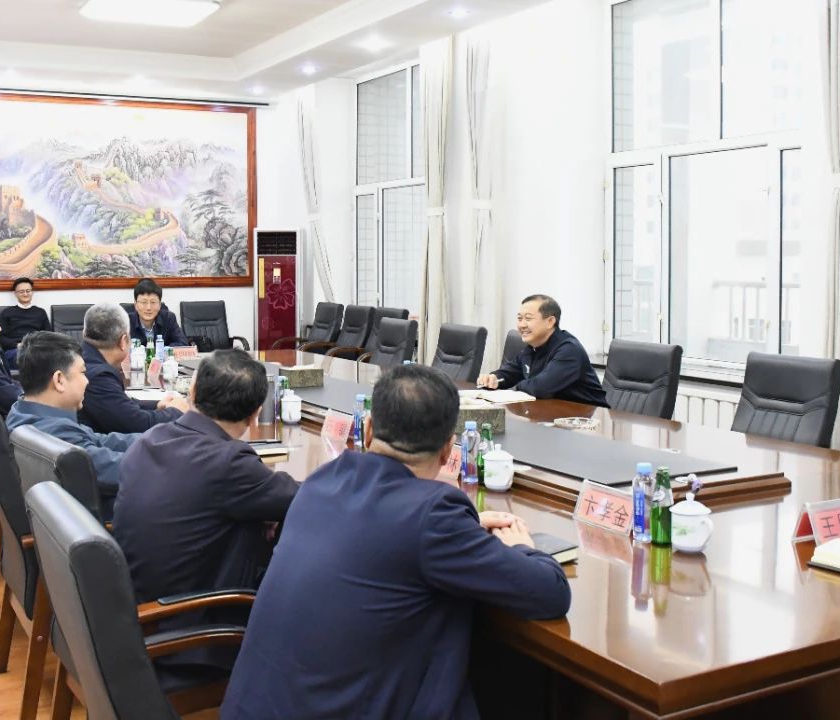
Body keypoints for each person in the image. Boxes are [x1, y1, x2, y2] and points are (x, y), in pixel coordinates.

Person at [220, 364, 572, 720]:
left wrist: (463, 530)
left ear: (369, 428)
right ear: (448, 450)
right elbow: (550, 593)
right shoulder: (434, 516)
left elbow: (383, 535)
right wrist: (521, 547)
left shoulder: (321, 481)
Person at [112, 349, 298, 673]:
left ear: (193, 391)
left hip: (138, 614)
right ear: (256, 414)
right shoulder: (229, 462)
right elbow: (304, 498)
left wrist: (259, 508)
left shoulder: (150, 439)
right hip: (191, 636)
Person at [6, 332, 140, 521]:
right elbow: (122, 469)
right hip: (101, 527)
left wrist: (160, 439)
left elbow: (101, 441)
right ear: (59, 380)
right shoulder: (56, 436)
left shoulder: (23, 412)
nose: (87, 381)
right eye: (83, 373)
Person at [476, 294, 608, 406]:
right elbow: (509, 374)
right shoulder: (531, 348)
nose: (522, 325)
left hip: (589, 419)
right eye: (519, 318)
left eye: (528, 318)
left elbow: (540, 388)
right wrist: (493, 378)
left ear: (550, 322)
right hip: (551, 414)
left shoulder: (569, 350)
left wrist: (517, 387)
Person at [79, 302, 188, 434]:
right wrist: (176, 411)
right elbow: (138, 424)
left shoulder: (86, 357)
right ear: (123, 341)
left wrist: (157, 405)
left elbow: (121, 403)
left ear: (85, 333)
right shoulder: (98, 375)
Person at [0, 277, 50, 368]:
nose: (25, 294)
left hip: (36, 348)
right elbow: (0, 337)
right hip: (15, 350)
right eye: (21, 291)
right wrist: (18, 345)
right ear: (15, 293)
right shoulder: (7, 312)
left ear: (32, 292)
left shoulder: (40, 312)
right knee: (24, 355)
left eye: (28, 291)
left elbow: (48, 334)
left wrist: (36, 345)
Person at [126, 277, 188, 347]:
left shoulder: (168, 318)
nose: (148, 308)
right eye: (144, 302)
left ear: (159, 304)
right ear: (135, 304)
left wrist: (159, 351)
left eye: (153, 302)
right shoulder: (126, 322)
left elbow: (183, 344)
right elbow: (118, 347)